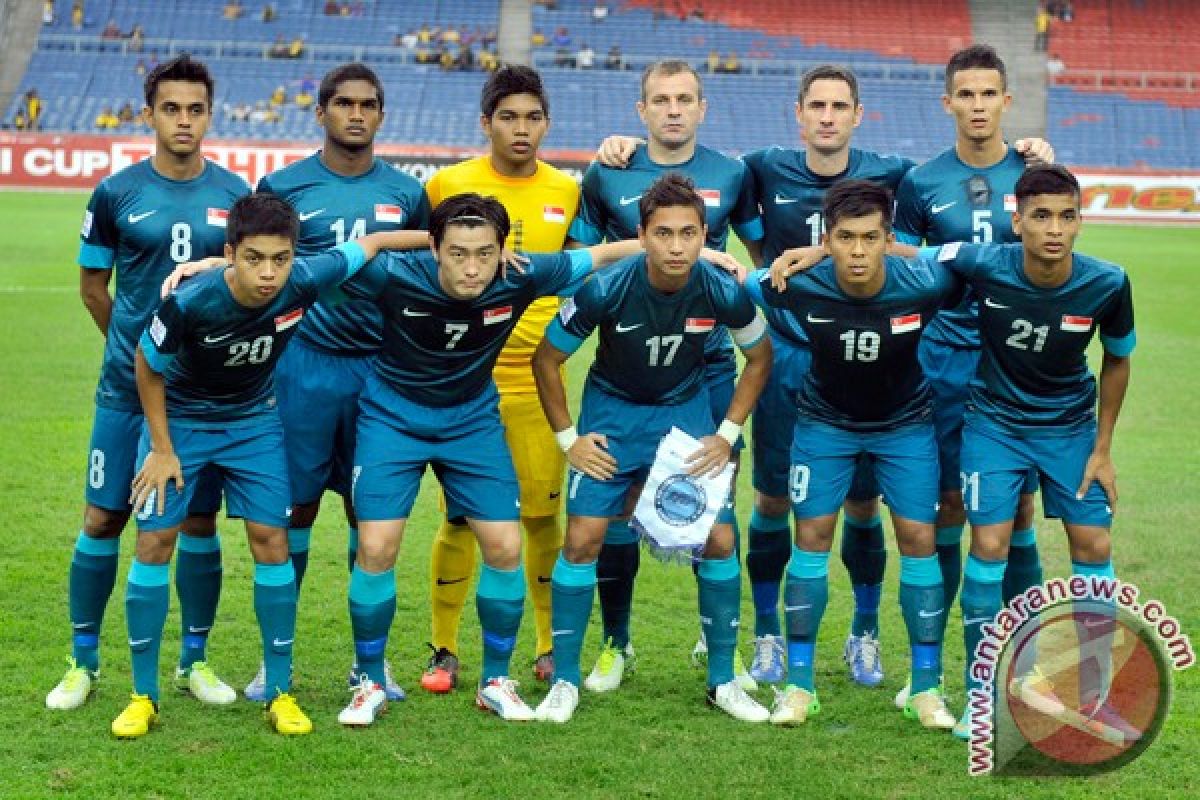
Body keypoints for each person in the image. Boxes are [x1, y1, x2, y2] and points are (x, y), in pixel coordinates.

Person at [118, 193, 423, 738]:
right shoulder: (191, 302)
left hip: (253, 422)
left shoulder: (305, 279)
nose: (268, 273)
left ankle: (279, 692)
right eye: (254, 258)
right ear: (230, 252)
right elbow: (147, 364)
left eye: (280, 259)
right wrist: (162, 449)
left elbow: (374, 243)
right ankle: (144, 696)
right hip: (183, 423)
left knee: (271, 539)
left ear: (295, 255)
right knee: (155, 541)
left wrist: (443, 243)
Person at [334, 193, 645, 725]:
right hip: (392, 417)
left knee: (504, 546)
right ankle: (367, 680)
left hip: (472, 422)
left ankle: (496, 681)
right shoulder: (391, 274)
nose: (472, 268)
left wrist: (708, 254)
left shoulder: (521, 276)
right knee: (376, 545)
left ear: (504, 251)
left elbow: (605, 255)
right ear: (434, 248)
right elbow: (298, 267)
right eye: (457, 253)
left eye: (484, 253)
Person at [45, 55, 249, 716]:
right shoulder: (115, 192)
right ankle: (82, 662)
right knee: (103, 516)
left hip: (202, 396)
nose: (184, 120)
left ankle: (195, 660)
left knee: (196, 519)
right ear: (150, 114)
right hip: (126, 393)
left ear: (209, 115)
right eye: (172, 108)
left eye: (195, 109)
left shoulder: (236, 195)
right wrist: (134, 353)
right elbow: (90, 288)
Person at [532, 173, 773, 724]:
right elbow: (546, 359)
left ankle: (722, 680)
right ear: (641, 234)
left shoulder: (719, 289)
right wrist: (569, 440)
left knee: (718, 538)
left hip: (683, 417)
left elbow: (761, 358)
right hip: (613, 414)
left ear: (705, 235)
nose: (675, 246)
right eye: (662, 233)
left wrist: (727, 433)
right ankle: (565, 680)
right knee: (584, 537)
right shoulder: (605, 287)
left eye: (688, 234)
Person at [566, 60, 763, 693]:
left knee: (712, 514)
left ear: (703, 108)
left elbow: (755, 264)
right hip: (629, 358)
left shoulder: (733, 173)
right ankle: (614, 643)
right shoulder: (610, 170)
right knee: (618, 509)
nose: (673, 109)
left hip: (705, 362)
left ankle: (717, 640)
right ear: (641, 109)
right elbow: (579, 260)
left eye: (685, 99)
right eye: (661, 100)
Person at [924, 165, 1135, 740]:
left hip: (1069, 431)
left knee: (1093, 543)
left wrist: (1104, 447)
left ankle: (1094, 699)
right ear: (1017, 221)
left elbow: (1118, 359)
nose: (1054, 229)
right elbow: (907, 254)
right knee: (987, 544)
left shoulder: (1108, 283)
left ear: (1079, 223)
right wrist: (812, 256)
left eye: (1067, 217)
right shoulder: (980, 262)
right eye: (1040, 216)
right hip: (992, 423)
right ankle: (982, 696)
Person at [749, 180, 959, 730]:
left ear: (889, 239)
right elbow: (735, 287)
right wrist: (810, 255)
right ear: (828, 239)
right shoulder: (796, 283)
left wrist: (904, 250)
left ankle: (927, 687)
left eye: (872, 237)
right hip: (824, 424)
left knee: (918, 540)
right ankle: (799, 686)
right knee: (811, 538)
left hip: (906, 426)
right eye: (845, 238)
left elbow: (968, 264)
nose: (859, 251)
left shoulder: (925, 281)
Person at [250, 62, 428, 703]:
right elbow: (255, 277)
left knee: (370, 514)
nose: (357, 114)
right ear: (320, 111)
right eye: (344, 103)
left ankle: (370, 667)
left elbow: (428, 279)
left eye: (369, 104)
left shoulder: (408, 193)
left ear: (382, 115)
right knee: (290, 512)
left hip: (381, 376)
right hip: (303, 371)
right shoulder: (284, 186)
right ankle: (276, 666)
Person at [892, 44, 1052, 710]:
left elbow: (1058, 255)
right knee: (947, 510)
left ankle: (1027, 666)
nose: (979, 106)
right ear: (949, 103)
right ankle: (930, 670)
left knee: (1016, 512)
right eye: (967, 94)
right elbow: (901, 265)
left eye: (990, 94)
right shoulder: (922, 182)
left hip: (1016, 365)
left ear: (1006, 102)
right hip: (944, 362)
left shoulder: (1038, 172)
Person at [421, 65, 581, 692]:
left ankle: (545, 646)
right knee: (461, 518)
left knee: (542, 521)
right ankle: (443, 650)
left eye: (533, 117)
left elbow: (584, 265)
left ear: (546, 122)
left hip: (536, 385)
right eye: (508, 117)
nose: (522, 128)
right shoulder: (445, 186)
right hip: (465, 385)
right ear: (485, 123)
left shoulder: (567, 191)